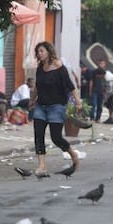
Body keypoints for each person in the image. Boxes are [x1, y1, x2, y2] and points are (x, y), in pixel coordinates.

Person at [30, 41, 81, 176]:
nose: (39, 54)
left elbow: (71, 86)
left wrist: (78, 102)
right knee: (38, 135)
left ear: (48, 52)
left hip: (56, 107)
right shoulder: (40, 67)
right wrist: (32, 99)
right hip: (41, 106)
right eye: (38, 52)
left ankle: (73, 154)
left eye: (42, 51)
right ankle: (42, 166)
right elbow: (37, 86)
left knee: (56, 137)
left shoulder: (59, 67)